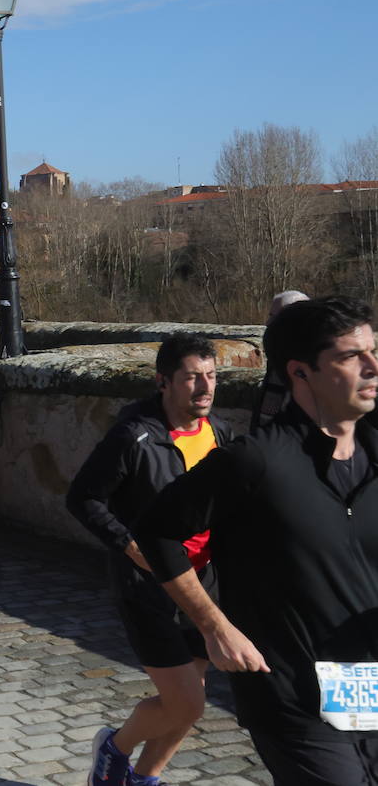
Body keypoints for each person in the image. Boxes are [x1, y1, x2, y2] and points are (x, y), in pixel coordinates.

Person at [137, 297, 378, 786]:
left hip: (369, 687)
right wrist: (214, 626)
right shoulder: (255, 461)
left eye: (374, 350)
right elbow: (155, 531)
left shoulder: (375, 452)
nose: (372, 366)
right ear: (300, 372)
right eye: (351, 356)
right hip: (290, 693)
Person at [66, 334, 231, 786]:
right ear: (163, 382)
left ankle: (144, 778)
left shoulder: (221, 435)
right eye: (192, 378)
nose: (205, 387)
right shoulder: (133, 436)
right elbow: (82, 498)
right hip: (146, 589)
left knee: (189, 700)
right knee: (188, 703)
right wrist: (129, 545)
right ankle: (114, 748)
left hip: (201, 584)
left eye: (212, 376)